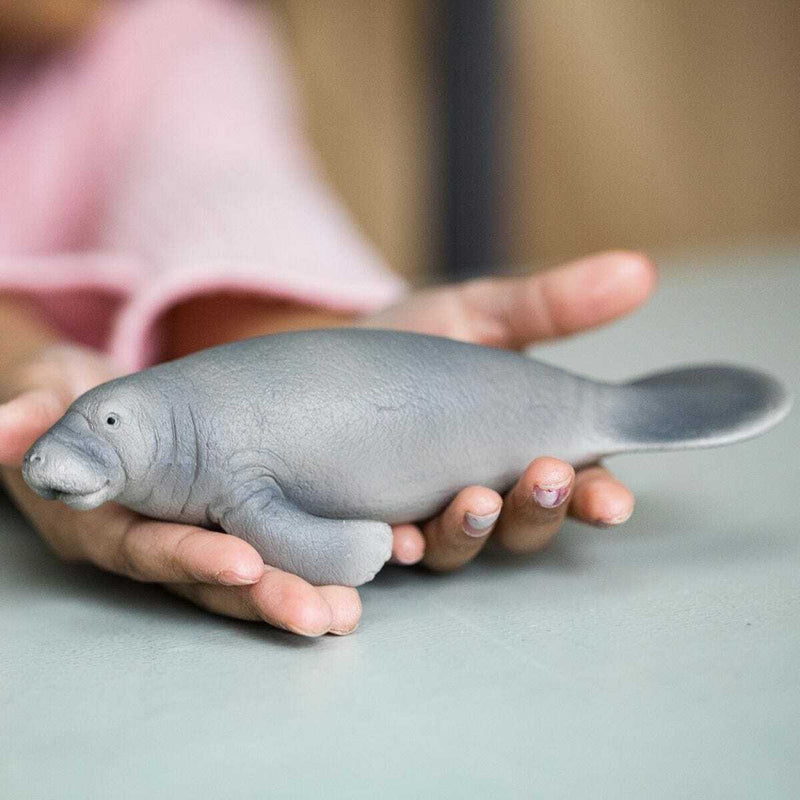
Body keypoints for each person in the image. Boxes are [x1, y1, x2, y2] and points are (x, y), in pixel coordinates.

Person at [0, 0, 655, 636]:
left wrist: (308, 342)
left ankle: (610, 411)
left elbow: (230, 196)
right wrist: (16, 370)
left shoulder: (177, 37)